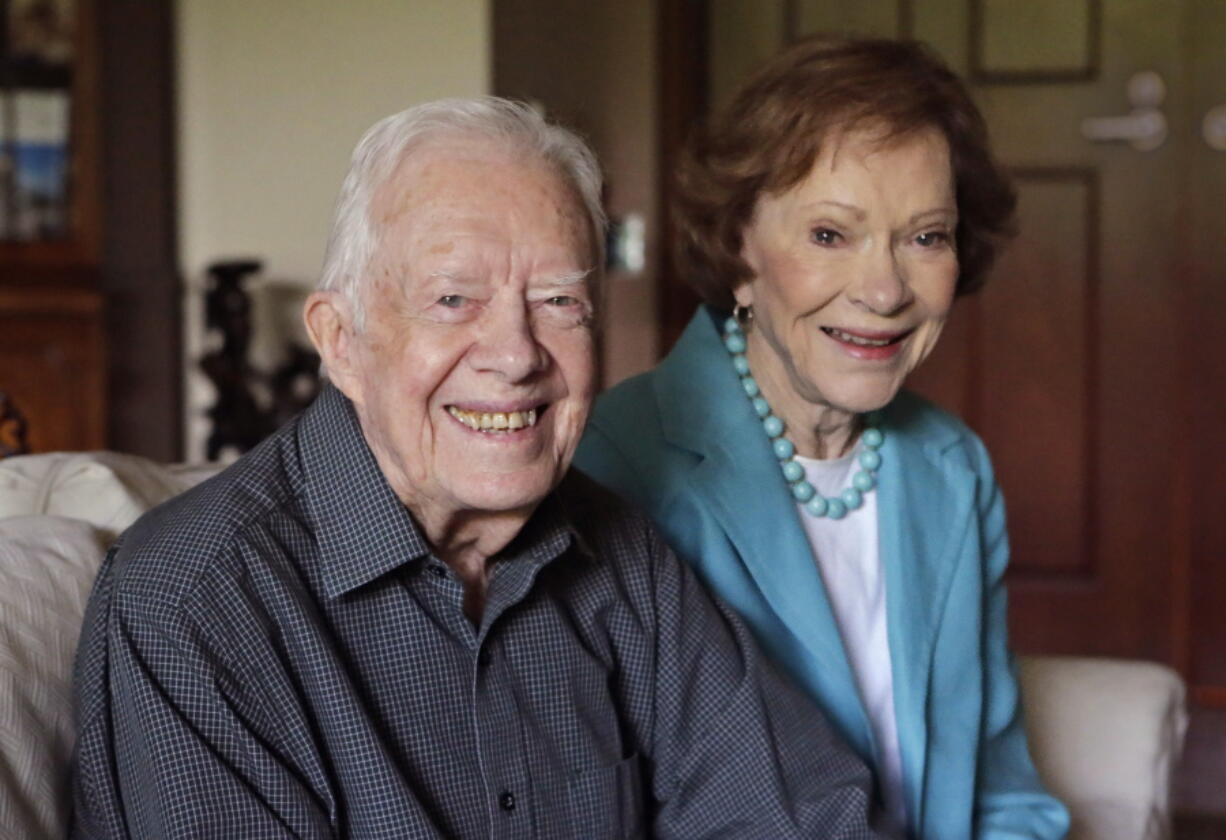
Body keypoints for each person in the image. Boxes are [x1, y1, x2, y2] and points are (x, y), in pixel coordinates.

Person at [70, 97, 892, 839]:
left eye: (559, 303)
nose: (514, 356)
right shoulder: (190, 605)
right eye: (453, 299)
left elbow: (810, 817)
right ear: (340, 339)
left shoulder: (624, 559)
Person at [575, 37, 1070, 839]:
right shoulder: (618, 464)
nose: (883, 291)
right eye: (831, 236)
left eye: (926, 237)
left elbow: (1001, 793)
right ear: (739, 250)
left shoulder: (953, 469)